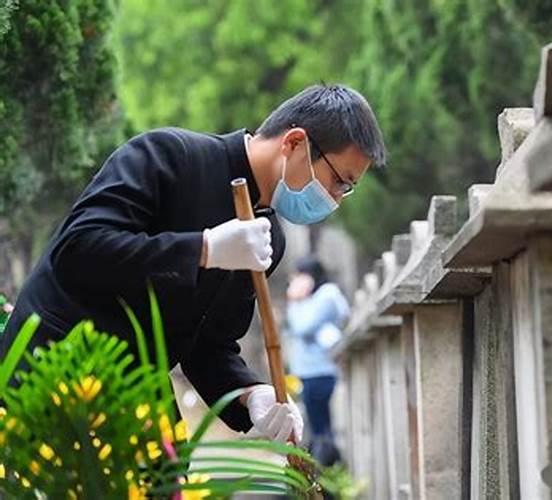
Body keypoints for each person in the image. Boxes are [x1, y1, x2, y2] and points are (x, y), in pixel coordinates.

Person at [0, 84, 386, 444]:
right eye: (340, 181)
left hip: (136, 393)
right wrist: (203, 249)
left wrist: (250, 393)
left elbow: (208, 344)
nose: (336, 198)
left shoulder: (268, 237)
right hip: (49, 373)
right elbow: (78, 248)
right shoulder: (169, 156)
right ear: (296, 142)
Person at [285, 256, 348, 465]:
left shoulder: (327, 296)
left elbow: (302, 327)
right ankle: (327, 473)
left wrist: (294, 300)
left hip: (320, 372)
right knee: (318, 427)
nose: (295, 281)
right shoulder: (315, 299)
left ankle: (327, 474)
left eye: (299, 275)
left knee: (321, 429)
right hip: (311, 372)